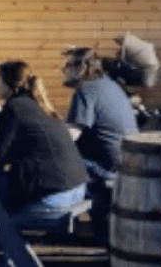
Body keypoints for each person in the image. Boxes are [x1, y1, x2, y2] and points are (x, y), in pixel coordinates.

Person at [0, 61, 89, 219]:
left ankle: (1, 235)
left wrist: (0, 120)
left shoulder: (15, 106)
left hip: (55, 199)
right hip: (77, 189)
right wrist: (2, 118)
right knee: (5, 181)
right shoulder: (38, 103)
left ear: (9, 84)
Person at [62, 46, 138, 244]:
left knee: (51, 162)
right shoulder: (109, 84)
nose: (63, 70)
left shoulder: (85, 90)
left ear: (83, 68)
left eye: (68, 66)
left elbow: (71, 135)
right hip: (127, 161)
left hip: (107, 167)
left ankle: (55, 221)